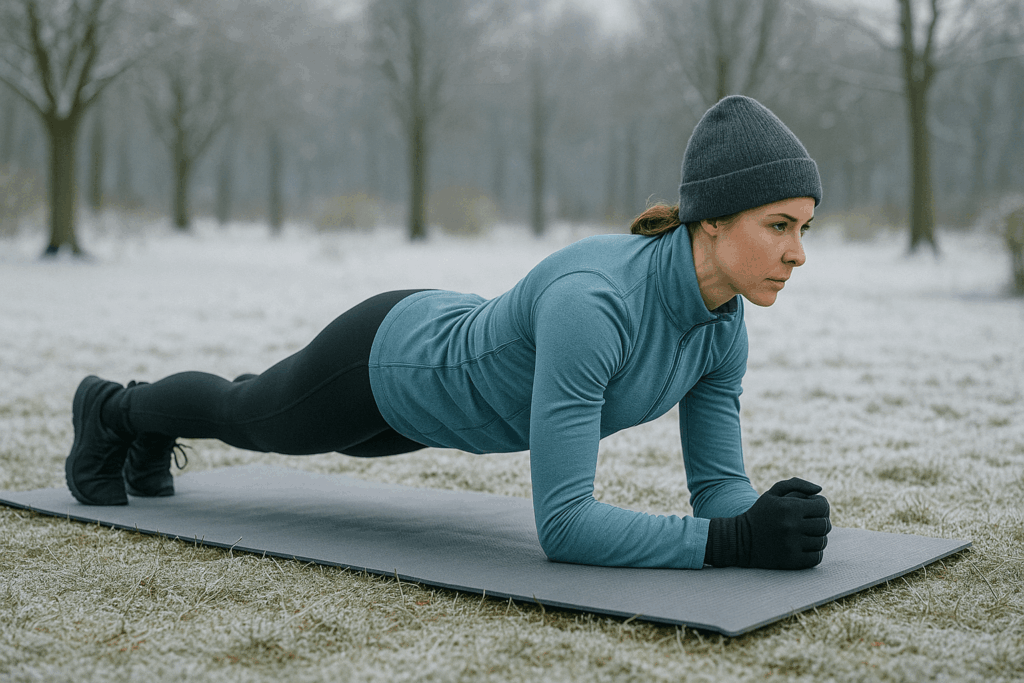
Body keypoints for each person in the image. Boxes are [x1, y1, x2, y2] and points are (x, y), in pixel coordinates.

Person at [65, 95, 831, 571]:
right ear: (712, 219)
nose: (798, 252)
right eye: (779, 225)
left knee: (273, 413)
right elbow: (565, 525)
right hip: (387, 361)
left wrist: (765, 519)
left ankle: (143, 432)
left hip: (432, 414)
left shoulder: (722, 326)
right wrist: (731, 544)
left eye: (804, 228)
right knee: (251, 415)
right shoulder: (595, 303)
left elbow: (717, 491)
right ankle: (113, 409)